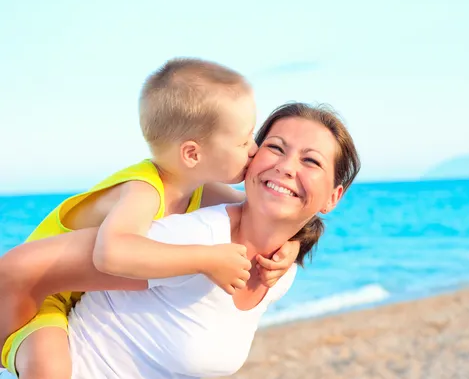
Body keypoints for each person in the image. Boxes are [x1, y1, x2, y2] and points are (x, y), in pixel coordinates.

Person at [0, 102, 361, 378]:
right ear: (251, 159)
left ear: (333, 197)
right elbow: (18, 270)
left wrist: (298, 243)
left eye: (311, 161)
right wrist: (19, 346)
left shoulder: (280, 271)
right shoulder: (189, 238)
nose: (287, 166)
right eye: (276, 148)